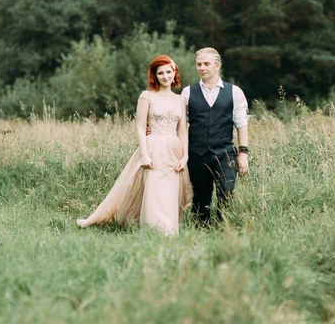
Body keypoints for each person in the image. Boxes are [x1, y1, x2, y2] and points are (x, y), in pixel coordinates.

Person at [77, 55, 192, 236]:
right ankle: (152, 229)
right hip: (153, 146)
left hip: (173, 149)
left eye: (168, 72)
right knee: (153, 188)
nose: (165, 76)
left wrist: (184, 157)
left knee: (169, 190)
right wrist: (145, 153)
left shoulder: (180, 100)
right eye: (160, 73)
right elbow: (139, 126)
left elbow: (183, 131)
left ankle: (169, 230)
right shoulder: (146, 96)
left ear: (174, 72)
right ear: (155, 76)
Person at [181, 47, 249, 223]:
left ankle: (223, 226)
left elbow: (241, 124)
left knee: (227, 190)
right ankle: (201, 229)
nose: (202, 68)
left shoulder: (234, 92)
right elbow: (179, 123)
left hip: (225, 152)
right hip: (196, 154)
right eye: (198, 64)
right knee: (201, 198)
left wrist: (243, 153)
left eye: (206, 64)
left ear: (217, 66)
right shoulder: (188, 92)